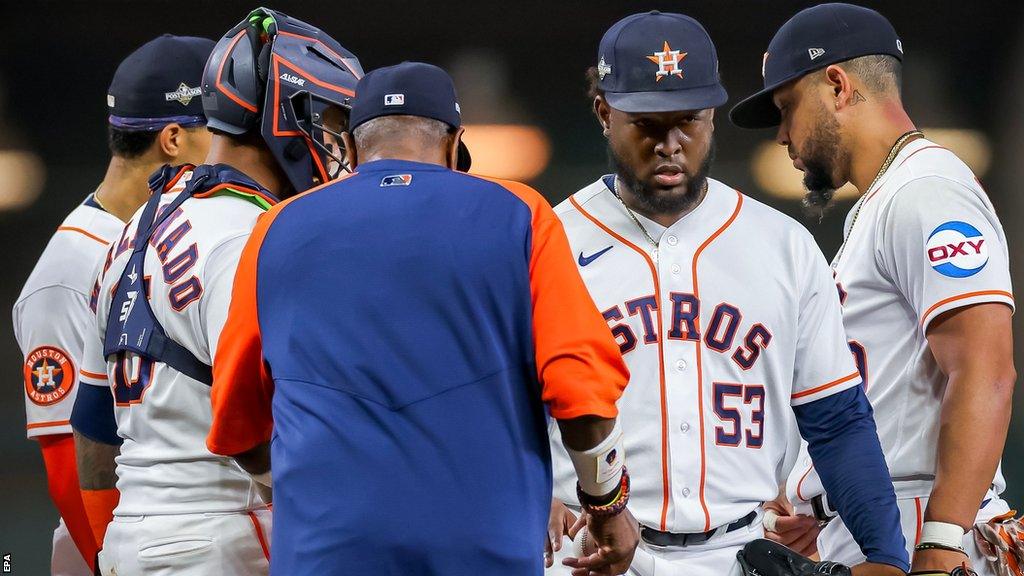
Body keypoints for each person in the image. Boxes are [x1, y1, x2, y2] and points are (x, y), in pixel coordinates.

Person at [206, 61, 638, 576]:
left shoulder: (276, 227)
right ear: (455, 143)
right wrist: (607, 507)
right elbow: (580, 384)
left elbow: (237, 419)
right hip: (482, 550)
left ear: (348, 146)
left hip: (327, 551)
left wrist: (313, 492)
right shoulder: (519, 212)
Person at [545, 11, 909, 576]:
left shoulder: (782, 245)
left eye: (688, 119)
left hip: (740, 553)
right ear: (604, 113)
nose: (670, 143)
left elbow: (836, 419)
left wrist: (886, 556)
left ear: (712, 115)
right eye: (647, 122)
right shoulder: (551, 242)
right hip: (591, 550)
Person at [70, 9, 361, 575]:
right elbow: (250, 426)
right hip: (223, 530)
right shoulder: (247, 234)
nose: (335, 139)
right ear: (285, 115)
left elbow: (95, 427)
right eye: (326, 117)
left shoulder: (135, 225)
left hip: (135, 534)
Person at [730, 4, 1016, 575]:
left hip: (920, 525)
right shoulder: (885, 200)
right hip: (882, 522)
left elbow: (985, 367)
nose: (783, 133)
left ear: (836, 86)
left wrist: (940, 540)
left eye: (787, 108)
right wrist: (817, 497)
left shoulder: (926, 189)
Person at [13, 34, 213, 575]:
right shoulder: (69, 269)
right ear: (173, 139)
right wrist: (107, 563)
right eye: (214, 130)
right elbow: (64, 462)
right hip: (106, 547)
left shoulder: (163, 234)